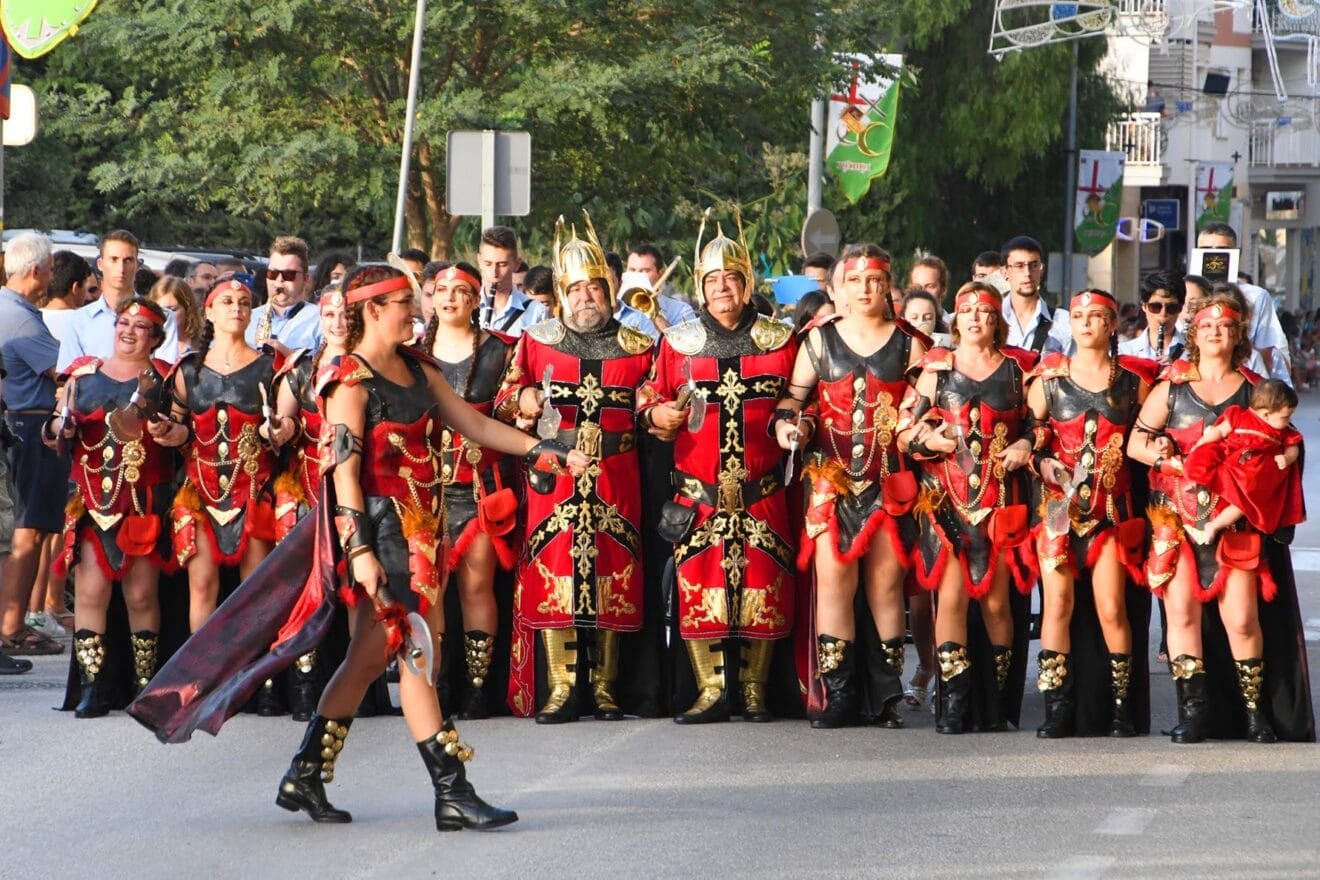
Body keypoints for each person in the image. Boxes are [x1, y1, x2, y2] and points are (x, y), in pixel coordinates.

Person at [272, 264, 583, 828]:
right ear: (371, 310)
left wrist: (545, 451)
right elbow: (342, 475)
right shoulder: (348, 381)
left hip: (425, 532)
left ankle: (306, 774)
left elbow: (475, 424)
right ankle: (452, 790)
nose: (416, 314)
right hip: (383, 538)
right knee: (419, 653)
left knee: (369, 657)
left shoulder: (419, 369)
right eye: (403, 305)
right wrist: (360, 553)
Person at [1130, 287, 1315, 743]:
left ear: (1239, 335)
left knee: (1242, 620)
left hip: (1237, 523)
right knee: (1181, 617)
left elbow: (1289, 443)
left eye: (1225, 325)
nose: (1215, 331)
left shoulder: (1257, 390)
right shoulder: (1170, 388)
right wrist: (1162, 459)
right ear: (1194, 332)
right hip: (1176, 519)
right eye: (1207, 325)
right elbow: (1135, 442)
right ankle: (1193, 713)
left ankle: (1254, 713)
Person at [638, 211, 799, 724]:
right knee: (701, 586)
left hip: (762, 489)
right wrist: (655, 414)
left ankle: (753, 689)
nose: (722, 287)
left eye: (732, 277)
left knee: (762, 584)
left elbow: (802, 399)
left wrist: (800, 423)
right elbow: (648, 395)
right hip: (699, 493)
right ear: (701, 289)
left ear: (747, 284)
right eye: (712, 280)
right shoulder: (677, 344)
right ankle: (709, 689)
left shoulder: (781, 341)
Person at [498, 217, 654, 723]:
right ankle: (562, 686)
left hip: (617, 474)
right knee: (556, 570)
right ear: (562, 294)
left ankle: (606, 687)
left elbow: (655, 398)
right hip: (555, 475)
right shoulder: (536, 340)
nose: (587, 297)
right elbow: (505, 398)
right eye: (577, 289)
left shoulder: (639, 347)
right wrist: (522, 397)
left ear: (609, 291)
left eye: (595, 287)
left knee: (613, 571)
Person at [775, 244, 926, 729]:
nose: (865, 290)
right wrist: (788, 428)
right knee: (836, 585)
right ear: (838, 288)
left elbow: (925, 410)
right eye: (855, 282)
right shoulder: (817, 341)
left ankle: (885, 696)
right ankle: (838, 694)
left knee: (885, 587)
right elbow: (791, 403)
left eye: (875, 281)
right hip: (829, 481)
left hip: (887, 481)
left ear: (889, 287)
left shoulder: (911, 344)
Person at [898, 282, 1037, 734]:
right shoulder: (936, 370)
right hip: (945, 501)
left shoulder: (1020, 371)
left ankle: (995, 703)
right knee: (951, 600)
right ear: (955, 319)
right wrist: (927, 439)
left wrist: (1024, 443)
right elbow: (903, 430)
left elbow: (1042, 426)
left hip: (1000, 503)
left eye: (986, 311)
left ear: (998, 319)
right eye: (967, 311)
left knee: (998, 604)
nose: (976, 319)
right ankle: (954, 702)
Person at [1025, 289, 1157, 738]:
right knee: (1056, 606)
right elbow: (1031, 434)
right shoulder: (1048, 379)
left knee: (1112, 608)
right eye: (1078, 316)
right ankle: (1057, 709)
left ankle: (1122, 709)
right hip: (1058, 513)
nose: (1085, 323)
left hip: (1111, 514)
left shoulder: (1134, 381)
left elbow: (1154, 432)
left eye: (1096, 316)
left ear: (1113, 324)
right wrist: (1042, 461)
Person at [46, 297, 180, 717]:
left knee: (141, 595)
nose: (128, 330)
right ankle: (93, 688)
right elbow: (54, 427)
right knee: (90, 590)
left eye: (139, 326)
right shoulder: (82, 375)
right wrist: (60, 425)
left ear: (155, 338)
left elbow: (182, 432)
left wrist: (168, 431)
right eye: (123, 322)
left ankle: (144, 686)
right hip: (91, 500)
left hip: (142, 501)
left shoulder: (166, 379)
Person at [422, 263, 519, 719]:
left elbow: (513, 408)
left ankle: (479, 689)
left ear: (476, 299)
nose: (450, 298)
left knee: (477, 586)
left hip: (479, 488)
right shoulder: (410, 355)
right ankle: (437, 686)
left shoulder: (503, 352)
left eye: (461, 291)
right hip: (423, 491)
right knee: (431, 591)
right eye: (441, 290)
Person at [161, 279, 285, 637]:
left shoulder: (269, 367)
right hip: (200, 491)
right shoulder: (188, 371)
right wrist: (169, 433)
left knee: (255, 590)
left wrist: (277, 432)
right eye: (227, 301)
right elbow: (179, 430)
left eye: (244, 302)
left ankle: (254, 677)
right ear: (209, 312)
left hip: (255, 490)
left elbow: (282, 428)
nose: (236, 308)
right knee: (201, 587)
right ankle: (203, 676)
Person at [268, 287, 353, 720]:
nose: (338, 321)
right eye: (330, 313)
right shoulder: (302, 368)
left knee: (358, 588)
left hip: (360, 489)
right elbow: (282, 422)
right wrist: (277, 429)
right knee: (309, 588)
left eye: (345, 312)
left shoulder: (373, 365)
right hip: (309, 489)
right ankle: (305, 685)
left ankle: (363, 687)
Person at [0, 232, 67, 658]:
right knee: (28, 530)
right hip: (28, 429)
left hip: (23, 427)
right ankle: (10, 626)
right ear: (37, 270)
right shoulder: (20, 317)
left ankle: (15, 621)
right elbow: (62, 369)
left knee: (30, 529)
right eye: (50, 268)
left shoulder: (14, 309)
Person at [1183, 379, 1303, 542]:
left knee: (1243, 504)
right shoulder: (1239, 416)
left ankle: (1213, 526)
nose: (1289, 420)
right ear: (1266, 414)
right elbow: (1219, 431)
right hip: (1226, 453)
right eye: (1286, 416)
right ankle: (1195, 481)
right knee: (1204, 454)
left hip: (1249, 476)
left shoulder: (1282, 432)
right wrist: (1200, 444)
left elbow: (1293, 447)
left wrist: (1287, 458)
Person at [57, 231, 181, 372]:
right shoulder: (77, 320)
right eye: (114, 259)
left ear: (137, 264)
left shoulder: (162, 317)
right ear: (100, 264)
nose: (121, 268)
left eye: (128, 260)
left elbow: (165, 373)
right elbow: (69, 376)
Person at [1196, 223, 1291, 384]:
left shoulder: (1256, 296)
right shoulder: (1187, 292)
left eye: (1221, 251)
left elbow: (1266, 349)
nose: (1214, 256)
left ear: (1235, 255)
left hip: (1242, 379)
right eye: (1207, 249)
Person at [1000, 235, 1070, 355]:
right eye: (1019, 266)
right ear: (1005, 272)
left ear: (1042, 270)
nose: (1027, 273)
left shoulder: (1064, 321)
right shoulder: (990, 319)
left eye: (1034, 265)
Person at [249, 236, 321, 352]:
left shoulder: (321, 319)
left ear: (306, 279)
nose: (279, 280)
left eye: (289, 274)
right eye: (273, 273)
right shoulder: (248, 318)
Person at [626, 244, 697, 331]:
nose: (636, 276)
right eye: (632, 270)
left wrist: (654, 314)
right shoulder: (617, 308)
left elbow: (684, 343)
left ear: (661, 273)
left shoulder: (682, 311)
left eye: (644, 271)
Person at [477, 226, 533, 335]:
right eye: (488, 264)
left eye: (502, 265)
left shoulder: (536, 312)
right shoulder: (463, 308)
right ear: (479, 260)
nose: (494, 273)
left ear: (517, 264)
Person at [1119, 271, 1185, 363]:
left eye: (1172, 308)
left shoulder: (1195, 352)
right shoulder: (1123, 352)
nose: (1163, 313)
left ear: (1180, 308)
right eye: (1155, 307)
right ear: (1144, 306)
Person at [150, 275, 205, 360]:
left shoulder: (205, 343)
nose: (165, 316)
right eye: (160, 310)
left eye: (172, 310)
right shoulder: (147, 343)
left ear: (188, 309)